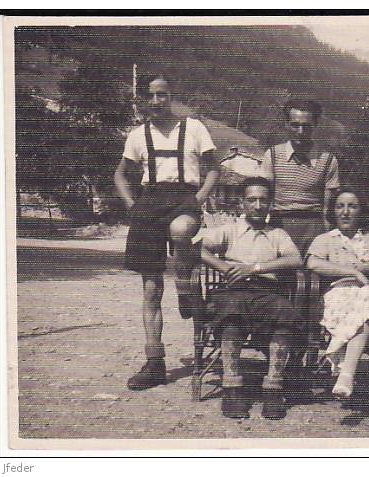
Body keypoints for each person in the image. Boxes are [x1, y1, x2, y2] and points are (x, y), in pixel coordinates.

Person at [114, 72, 219, 391]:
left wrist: (199, 198)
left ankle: (185, 287)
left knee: (180, 230)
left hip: (184, 199)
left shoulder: (194, 128)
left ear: (172, 96)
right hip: (149, 203)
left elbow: (214, 168)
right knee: (151, 290)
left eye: (163, 94)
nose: (157, 101)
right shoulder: (136, 135)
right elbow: (120, 175)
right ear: (143, 99)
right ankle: (155, 362)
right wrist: (132, 205)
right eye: (151, 95)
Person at [197, 176, 304, 420]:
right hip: (233, 290)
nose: (258, 205)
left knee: (285, 311)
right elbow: (196, 248)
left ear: (270, 204)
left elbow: (295, 259)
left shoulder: (277, 233)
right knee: (231, 310)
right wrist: (223, 267)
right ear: (241, 204)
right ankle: (232, 387)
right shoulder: (230, 230)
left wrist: (254, 268)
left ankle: (273, 388)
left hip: (266, 291)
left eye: (263, 200)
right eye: (251, 200)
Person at [306, 188, 369, 433]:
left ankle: (346, 373)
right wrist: (353, 272)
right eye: (340, 206)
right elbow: (312, 262)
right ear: (333, 210)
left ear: (361, 211)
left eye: (352, 206)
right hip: (339, 300)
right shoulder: (325, 239)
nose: (346, 211)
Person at [259, 99, 340, 253]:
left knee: (316, 273)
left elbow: (329, 208)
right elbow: (264, 197)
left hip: (314, 227)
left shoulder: (328, 160)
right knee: (281, 275)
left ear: (315, 125)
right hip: (280, 225)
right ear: (286, 124)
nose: (300, 132)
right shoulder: (273, 155)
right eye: (295, 125)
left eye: (306, 126)